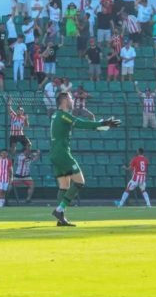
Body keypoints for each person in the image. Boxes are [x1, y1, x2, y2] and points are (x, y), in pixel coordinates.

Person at [50, 92, 121, 226]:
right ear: (64, 100)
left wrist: (102, 125)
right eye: (71, 98)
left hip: (55, 153)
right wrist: (103, 123)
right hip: (62, 153)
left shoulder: (56, 115)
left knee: (64, 186)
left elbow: (80, 124)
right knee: (80, 182)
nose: (72, 100)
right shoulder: (64, 115)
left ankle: (60, 218)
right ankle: (59, 210)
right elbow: (80, 123)